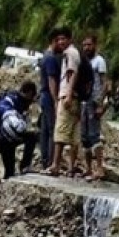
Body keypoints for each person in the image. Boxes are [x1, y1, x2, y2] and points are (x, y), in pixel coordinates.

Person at [46, 27, 83, 177]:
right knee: (74, 134)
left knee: (60, 132)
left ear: (70, 39)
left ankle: (55, 165)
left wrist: (67, 95)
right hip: (75, 97)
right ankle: (71, 167)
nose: (61, 41)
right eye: (58, 39)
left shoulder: (70, 53)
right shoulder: (73, 53)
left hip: (67, 96)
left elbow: (73, 73)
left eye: (63, 39)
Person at [0, 81, 38, 179]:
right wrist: (11, 115)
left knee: (9, 171)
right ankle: (24, 166)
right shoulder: (12, 100)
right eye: (31, 96)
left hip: (4, 137)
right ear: (28, 92)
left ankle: (24, 167)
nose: (31, 100)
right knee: (32, 137)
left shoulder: (16, 100)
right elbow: (1, 110)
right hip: (4, 137)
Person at [81, 36, 109, 181]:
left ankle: (100, 168)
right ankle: (88, 169)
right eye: (84, 45)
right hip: (84, 102)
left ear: (95, 45)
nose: (86, 47)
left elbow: (105, 84)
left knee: (94, 136)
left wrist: (101, 103)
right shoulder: (84, 62)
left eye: (89, 44)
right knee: (84, 137)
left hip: (94, 102)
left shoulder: (99, 61)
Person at [38, 30, 62, 170]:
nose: (61, 43)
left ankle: (45, 160)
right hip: (48, 96)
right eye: (58, 40)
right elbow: (52, 81)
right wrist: (55, 100)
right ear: (53, 41)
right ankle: (50, 162)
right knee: (53, 129)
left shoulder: (45, 56)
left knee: (45, 130)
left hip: (43, 96)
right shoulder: (51, 58)